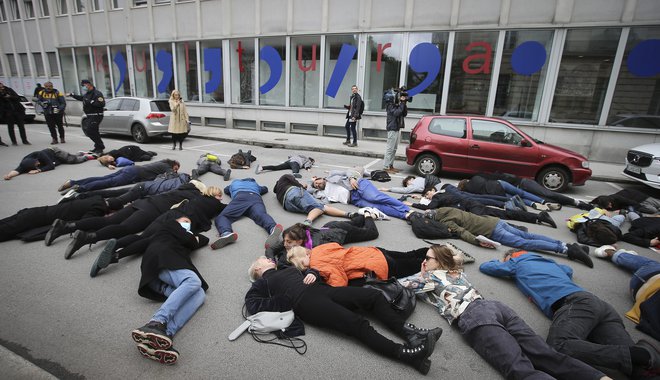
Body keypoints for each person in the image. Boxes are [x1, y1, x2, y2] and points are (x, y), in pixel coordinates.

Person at [398, 244, 609, 380]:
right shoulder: (456, 270)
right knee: (546, 355)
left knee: (519, 368)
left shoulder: (430, 278)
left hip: (473, 314)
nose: (424, 261)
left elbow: (400, 285)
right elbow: (458, 256)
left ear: (440, 262)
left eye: (428, 258)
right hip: (496, 307)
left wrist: (422, 272)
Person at [480, 250, 660, 378]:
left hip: (575, 304)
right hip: (600, 306)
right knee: (640, 369)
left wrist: (506, 261)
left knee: (559, 345)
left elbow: (487, 267)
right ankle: (642, 356)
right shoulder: (550, 263)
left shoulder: (517, 262)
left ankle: (641, 353)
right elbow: (568, 270)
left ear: (511, 257)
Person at [246, 257, 441, 374]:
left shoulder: (287, 267)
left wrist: (313, 272)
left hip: (324, 290)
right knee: (357, 324)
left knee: (372, 295)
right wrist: (286, 301)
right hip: (307, 303)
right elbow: (252, 304)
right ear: (258, 268)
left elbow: (310, 269)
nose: (268, 259)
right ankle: (407, 355)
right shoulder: (262, 283)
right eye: (264, 259)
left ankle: (410, 334)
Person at [90, 187, 225, 277]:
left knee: (144, 237)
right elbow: (230, 208)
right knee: (150, 241)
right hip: (182, 221)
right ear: (217, 195)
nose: (221, 199)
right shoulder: (216, 203)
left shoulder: (196, 197)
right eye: (221, 196)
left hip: (169, 214)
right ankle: (115, 257)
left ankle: (116, 244)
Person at [46, 182, 205, 259]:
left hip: (143, 202)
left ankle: (67, 226)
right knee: (124, 228)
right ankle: (88, 237)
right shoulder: (194, 197)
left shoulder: (179, 189)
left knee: (109, 221)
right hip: (151, 211)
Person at [131, 216, 209, 365]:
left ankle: (164, 335)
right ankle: (156, 322)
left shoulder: (181, 236)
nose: (188, 224)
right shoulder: (170, 225)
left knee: (199, 293)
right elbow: (193, 241)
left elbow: (202, 240)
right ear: (178, 221)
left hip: (166, 277)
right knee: (193, 281)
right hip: (161, 261)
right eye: (185, 221)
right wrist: (192, 236)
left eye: (190, 223)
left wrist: (192, 236)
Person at [427, 207, 594, 267]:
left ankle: (567, 250)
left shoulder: (445, 219)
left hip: (492, 231)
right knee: (529, 235)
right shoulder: (447, 209)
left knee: (524, 243)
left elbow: (462, 232)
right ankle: (567, 244)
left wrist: (476, 241)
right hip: (496, 221)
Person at [287, 243, 435, 287]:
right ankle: (437, 249)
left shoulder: (316, 264)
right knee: (409, 254)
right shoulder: (318, 249)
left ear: (304, 257)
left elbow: (340, 282)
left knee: (413, 265)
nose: (303, 268)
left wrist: (325, 282)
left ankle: (443, 260)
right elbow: (337, 245)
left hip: (377, 266)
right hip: (374, 252)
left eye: (301, 264)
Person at [593, 245, 660, 340]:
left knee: (651, 264)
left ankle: (614, 253)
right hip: (642, 297)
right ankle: (627, 256)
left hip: (646, 281)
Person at [408, 186, 557, 228]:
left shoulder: (437, 196)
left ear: (432, 191)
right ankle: (537, 217)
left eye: (427, 194)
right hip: (471, 206)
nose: (427, 196)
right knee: (502, 214)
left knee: (490, 220)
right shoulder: (443, 193)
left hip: (471, 208)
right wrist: (418, 199)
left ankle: (518, 227)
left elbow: (430, 205)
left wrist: (411, 204)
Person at [267, 215, 380, 265]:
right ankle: (358, 216)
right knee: (357, 222)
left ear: (300, 242)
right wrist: (272, 261)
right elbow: (271, 250)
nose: (285, 244)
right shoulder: (293, 238)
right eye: (285, 241)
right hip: (329, 227)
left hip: (343, 232)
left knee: (372, 233)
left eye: (288, 242)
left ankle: (368, 214)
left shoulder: (315, 246)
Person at [310, 167, 412, 220]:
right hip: (354, 200)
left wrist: (351, 179)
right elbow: (309, 191)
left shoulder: (331, 175)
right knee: (377, 208)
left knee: (376, 197)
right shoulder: (322, 194)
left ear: (320, 178)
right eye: (316, 186)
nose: (317, 185)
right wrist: (313, 188)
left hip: (357, 186)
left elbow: (348, 171)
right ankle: (404, 215)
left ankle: (406, 209)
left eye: (317, 182)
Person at [210, 178, 282, 250]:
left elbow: (226, 190)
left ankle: (226, 233)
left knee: (223, 216)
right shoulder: (254, 184)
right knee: (261, 214)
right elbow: (265, 189)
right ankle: (272, 228)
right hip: (255, 198)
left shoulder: (234, 183)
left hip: (240, 197)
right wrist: (257, 187)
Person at [0, 195, 109, 242]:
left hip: (36, 211)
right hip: (36, 219)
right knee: (5, 230)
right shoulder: (97, 208)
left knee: (7, 222)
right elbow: (85, 223)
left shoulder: (96, 198)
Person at [56, 159, 179, 194]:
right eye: (176, 168)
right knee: (108, 183)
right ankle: (79, 188)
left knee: (103, 178)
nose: (175, 170)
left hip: (131, 169)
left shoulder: (162, 163)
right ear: (173, 165)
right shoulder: (166, 167)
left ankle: (73, 182)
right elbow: (172, 176)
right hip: (133, 174)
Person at [478, 172, 592, 210]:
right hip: (521, 187)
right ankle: (570, 203)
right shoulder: (489, 183)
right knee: (547, 198)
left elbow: (509, 178)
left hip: (523, 184)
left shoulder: (494, 179)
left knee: (547, 193)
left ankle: (576, 202)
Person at [273, 174, 351, 225]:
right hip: (293, 193)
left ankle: (348, 214)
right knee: (318, 207)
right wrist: (301, 185)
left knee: (317, 208)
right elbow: (293, 180)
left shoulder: (278, 192)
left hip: (287, 205)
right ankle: (307, 222)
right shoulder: (284, 177)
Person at [458, 175, 562, 211]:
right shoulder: (475, 178)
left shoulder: (470, 191)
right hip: (500, 184)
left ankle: (533, 204)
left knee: (517, 198)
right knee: (522, 193)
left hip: (497, 193)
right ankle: (542, 201)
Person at [4, 147, 93, 180]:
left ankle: (87, 157)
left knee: (73, 160)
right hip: (56, 160)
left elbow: (51, 166)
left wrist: (39, 170)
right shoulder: (25, 163)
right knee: (71, 157)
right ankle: (81, 153)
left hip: (56, 153)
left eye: (37, 161)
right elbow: (17, 170)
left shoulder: (40, 154)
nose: (38, 163)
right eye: (36, 164)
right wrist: (9, 175)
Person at [68, 79, 105, 154]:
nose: (83, 87)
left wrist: (91, 102)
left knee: (89, 130)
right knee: (94, 131)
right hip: (89, 115)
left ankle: (100, 147)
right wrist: (72, 95)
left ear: (88, 85)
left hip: (96, 115)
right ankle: (98, 147)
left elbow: (101, 104)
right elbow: (82, 98)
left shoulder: (97, 93)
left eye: (83, 85)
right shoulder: (87, 93)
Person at [383, 89, 407, 173]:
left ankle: (390, 165)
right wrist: (402, 103)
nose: (397, 97)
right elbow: (397, 113)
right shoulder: (390, 106)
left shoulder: (395, 105)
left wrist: (404, 103)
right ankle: (386, 166)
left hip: (396, 128)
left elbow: (404, 113)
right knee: (390, 148)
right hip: (392, 128)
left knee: (394, 148)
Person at [591, 188, 660, 215]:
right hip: (636, 199)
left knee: (656, 206)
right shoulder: (603, 201)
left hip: (641, 199)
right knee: (653, 210)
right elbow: (594, 203)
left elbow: (634, 204)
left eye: (610, 204)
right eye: (608, 206)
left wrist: (624, 210)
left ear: (610, 201)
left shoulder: (617, 198)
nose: (610, 207)